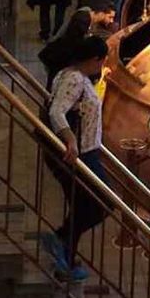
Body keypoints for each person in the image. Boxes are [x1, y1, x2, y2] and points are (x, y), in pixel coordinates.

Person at [43, 36, 111, 281]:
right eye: (102, 61)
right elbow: (57, 111)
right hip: (80, 154)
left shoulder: (70, 74)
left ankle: (66, 258)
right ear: (94, 59)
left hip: (85, 151)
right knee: (102, 202)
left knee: (84, 205)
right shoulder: (74, 78)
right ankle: (61, 241)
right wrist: (70, 138)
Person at [38, 2, 116, 89]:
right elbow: (73, 44)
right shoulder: (82, 20)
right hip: (59, 59)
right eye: (110, 17)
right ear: (101, 13)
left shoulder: (87, 19)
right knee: (53, 87)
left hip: (62, 59)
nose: (111, 21)